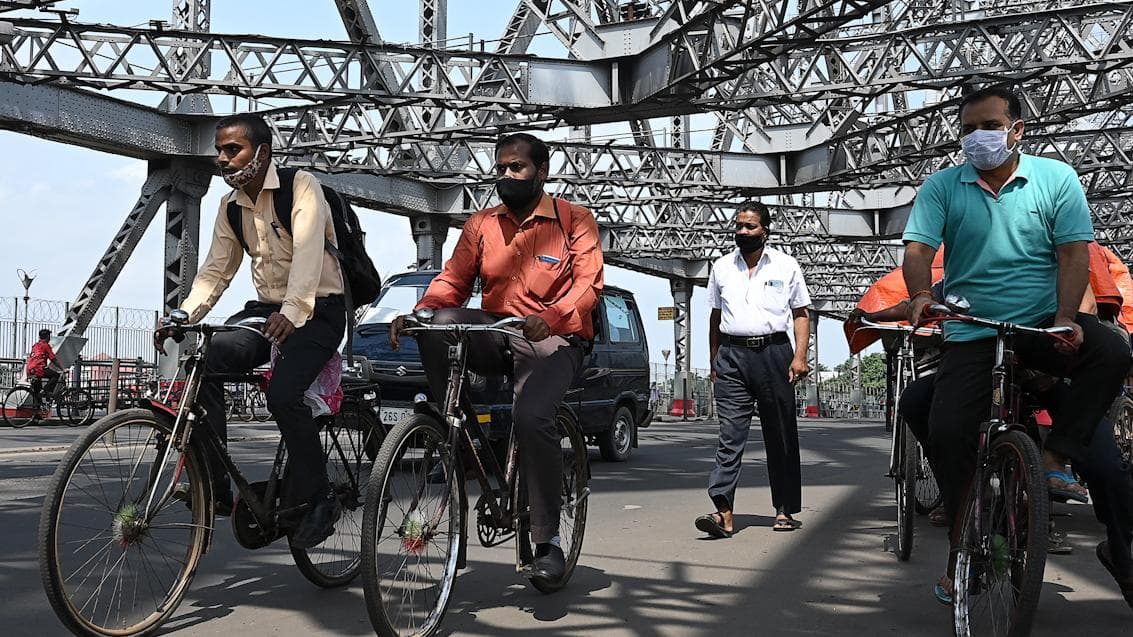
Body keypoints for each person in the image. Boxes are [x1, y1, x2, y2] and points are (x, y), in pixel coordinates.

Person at [901, 85, 1133, 605]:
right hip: (975, 335)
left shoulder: (1056, 181)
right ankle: (970, 540)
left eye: (988, 126)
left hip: (1041, 333)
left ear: (1017, 129)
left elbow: (1074, 254)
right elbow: (918, 248)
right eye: (967, 129)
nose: (976, 138)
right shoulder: (942, 187)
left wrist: (1067, 319)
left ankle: (1068, 475)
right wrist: (919, 295)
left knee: (1109, 409)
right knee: (939, 421)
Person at [389, 132, 604, 582]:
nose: (506, 175)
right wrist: (421, 312)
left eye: (517, 167)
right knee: (439, 323)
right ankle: (449, 420)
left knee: (531, 417)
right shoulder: (482, 224)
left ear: (541, 172)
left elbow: (589, 283)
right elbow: (454, 280)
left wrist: (554, 314)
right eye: (501, 167)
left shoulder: (574, 221)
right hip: (497, 331)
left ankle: (547, 541)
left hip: (554, 338)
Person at [153, 113, 347, 549]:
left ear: (264, 151)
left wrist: (295, 311)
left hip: (319, 311)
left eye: (232, 150)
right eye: (219, 151)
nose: (222, 159)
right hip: (267, 310)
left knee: (283, 393)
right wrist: (182, 315)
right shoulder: (231, 206)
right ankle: (214, 486)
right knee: (209, 358)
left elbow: (309, 256)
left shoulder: (301, 187)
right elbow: (215, 271)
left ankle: (320, 498)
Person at [695, 201, 812, 538]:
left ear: (765, 230)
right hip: (732, 357)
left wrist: (800, 356)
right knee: (729, 437)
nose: (742, 232)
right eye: (738, 226)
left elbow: (801, 313)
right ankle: (723, 512)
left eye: (749, 227)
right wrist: (714, 358)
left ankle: (784, 509)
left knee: (780, 434)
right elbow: (715, 317)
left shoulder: (786, 266)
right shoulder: (721, 268)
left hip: (774, 353)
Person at [26, 328, 62, 405]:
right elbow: (53, 359)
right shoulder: (45, 346)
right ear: (48, 337)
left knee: (37, 393)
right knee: (56, 375)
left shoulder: (35, 345)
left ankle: (38, 412)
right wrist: (63, 369)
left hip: (30, 370)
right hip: (39, 369)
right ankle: (46, 391)